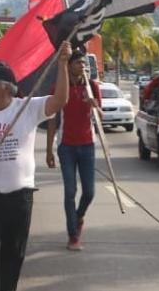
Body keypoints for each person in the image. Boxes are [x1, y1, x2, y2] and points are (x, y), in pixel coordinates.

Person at [0, 43, 72, 291]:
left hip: (20, 198)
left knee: (13, 254)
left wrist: (62, 64)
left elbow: (60, 100)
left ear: (7, 88)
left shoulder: (27, 108)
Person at [45, 47, 101, 251]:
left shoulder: (92, 86)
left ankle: (78, 217)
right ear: (69, 66)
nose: (82, 66)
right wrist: (49, 150)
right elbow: (51, 121)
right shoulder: (59, 88)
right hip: (66, 146)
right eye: (79, 62)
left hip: (88, 145)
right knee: (70, 191)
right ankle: (73, 234)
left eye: (84, 63)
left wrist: (95, 106)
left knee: (89, 192)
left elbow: (100, 118)